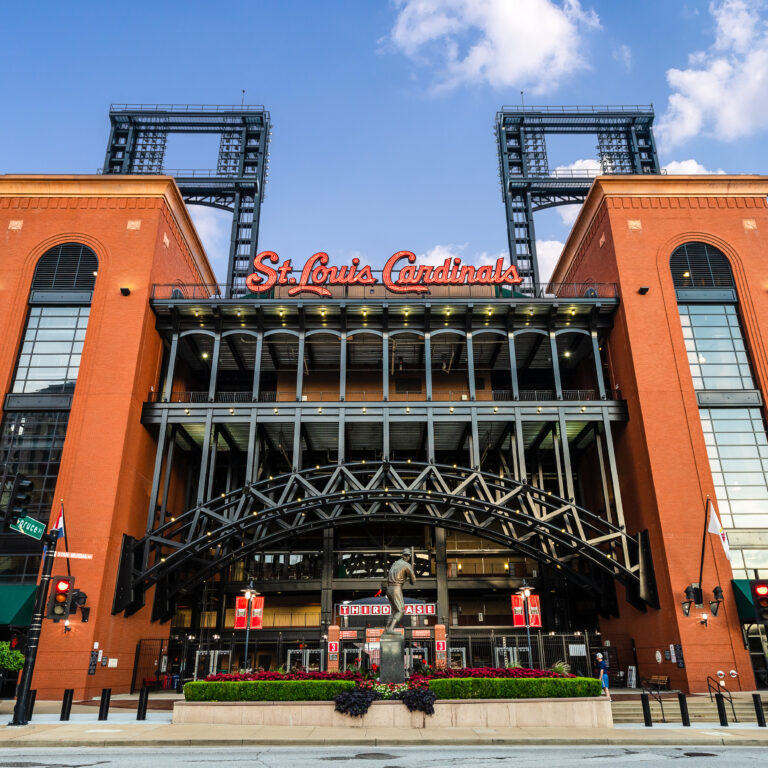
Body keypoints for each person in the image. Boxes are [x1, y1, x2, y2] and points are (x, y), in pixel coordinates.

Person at [384, 548, 416, 633]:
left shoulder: (395, 564)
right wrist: (409, 578)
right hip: (396, 588)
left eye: (408, 555)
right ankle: (390, 629)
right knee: (401, 610)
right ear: (402, 555)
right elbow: (414, 580)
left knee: (394, 610)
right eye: (406, 555)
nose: (407, 557)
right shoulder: (407, 565)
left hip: (389, 588)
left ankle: (387, 629)